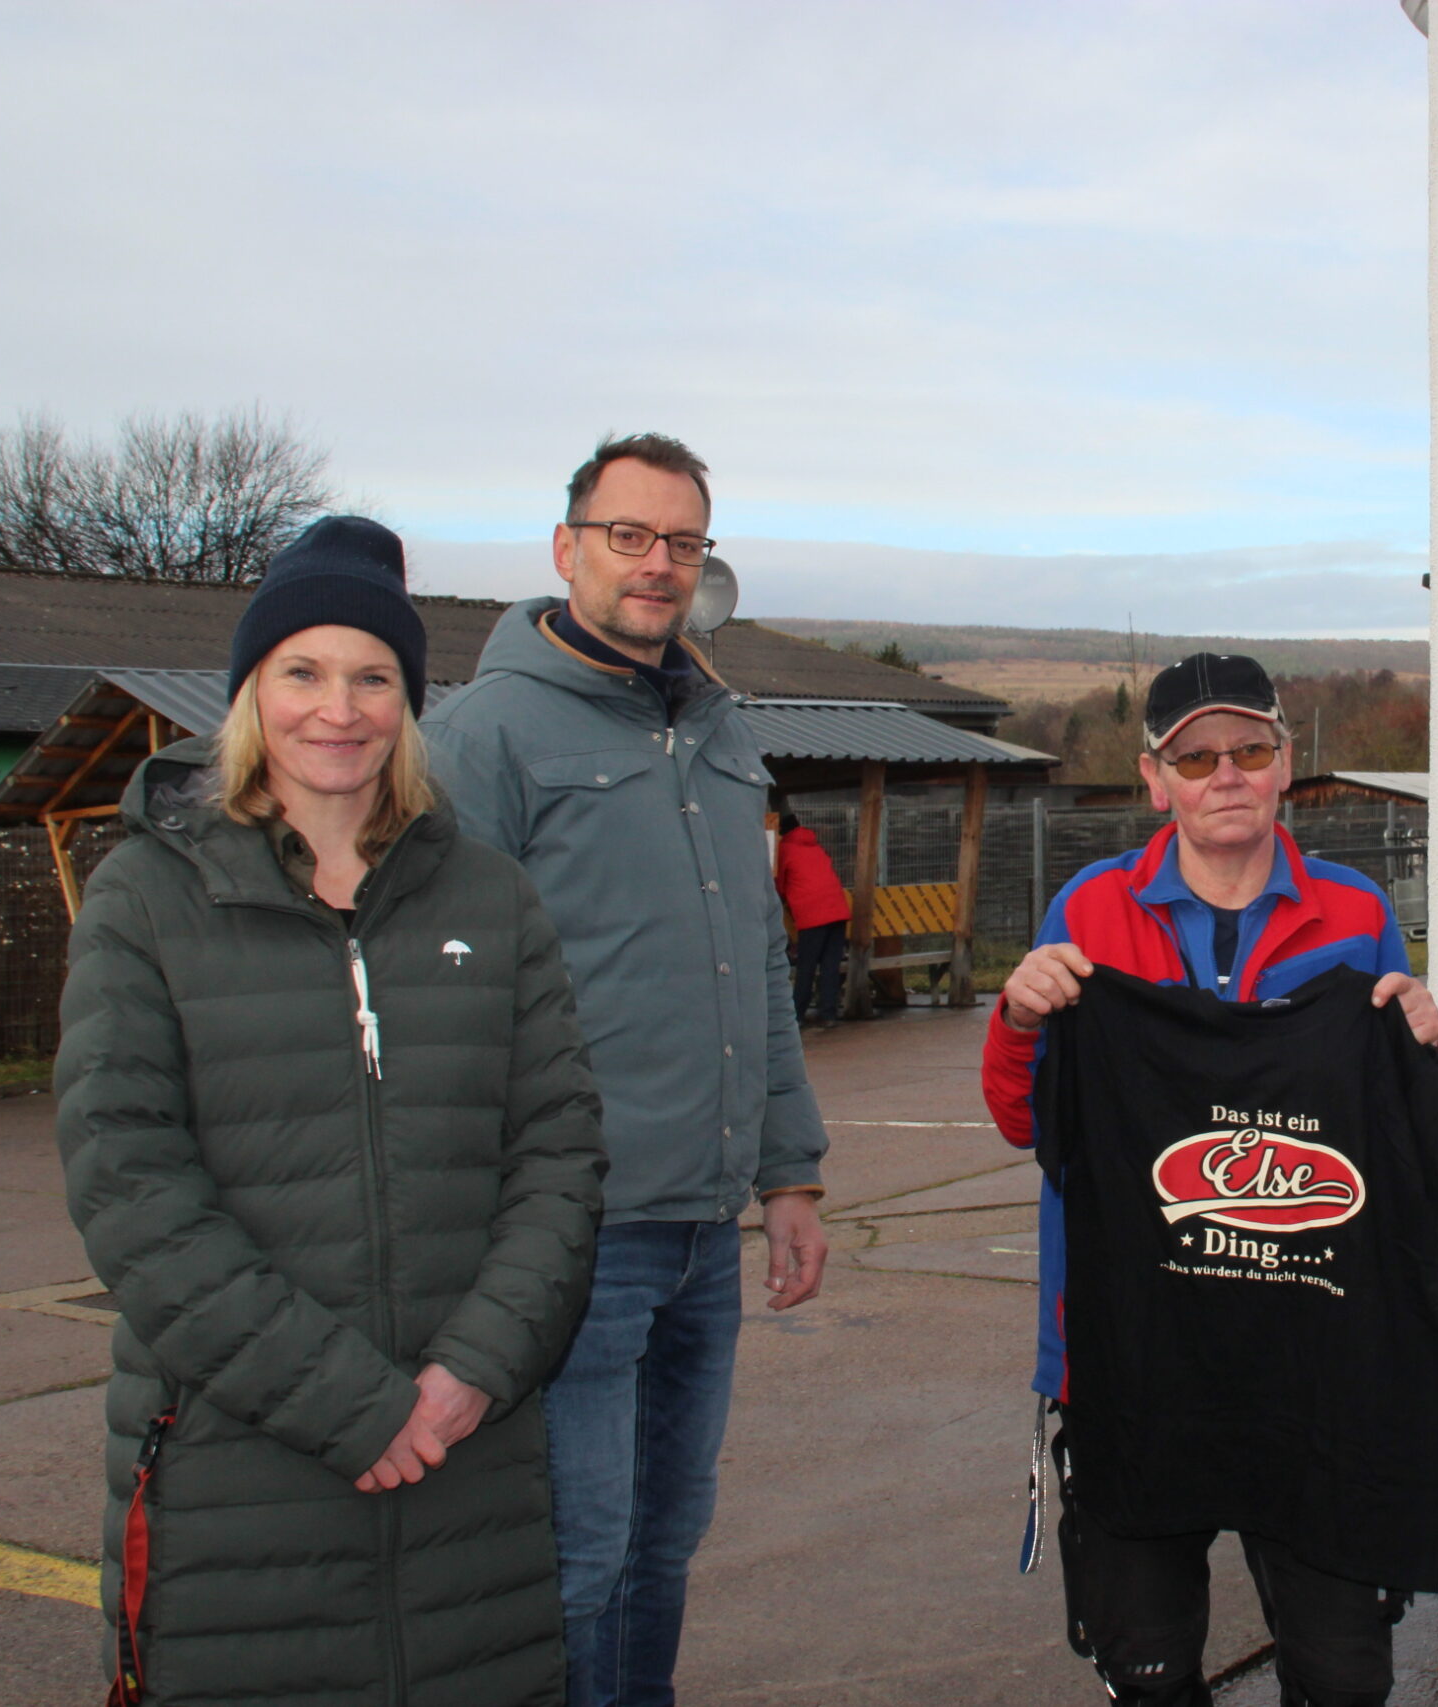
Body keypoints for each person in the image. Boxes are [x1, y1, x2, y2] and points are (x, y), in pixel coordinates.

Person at [54, 516, 607, 1707]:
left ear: (408, 704)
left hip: (471, 1462)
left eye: (373, 678)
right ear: (253, 691)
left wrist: (472, 1370)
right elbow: (130, 1187)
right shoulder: (146, 898)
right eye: (302, 671)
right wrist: (353, 1406)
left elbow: (558, 1153)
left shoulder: (491, 897)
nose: (338, 708)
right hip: (239, 1472)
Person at [424, 434, 829, 1707]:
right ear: (567, 550)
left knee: (665, 1545)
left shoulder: (716, 730)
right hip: (571, 1236)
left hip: (705, 1227)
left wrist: (789, 1170)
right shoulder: (480, 737)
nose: (657, 566)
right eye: (629, 537)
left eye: (684, 543)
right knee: (578, 1554)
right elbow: (441, 992)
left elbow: (756, 963)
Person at [984, 653, 1438, 1707]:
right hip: (1129, 1357)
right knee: (1147, 1669)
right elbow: (1029, 1121)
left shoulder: (1354, 911)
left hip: (1313, 1362)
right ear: (1156, 779)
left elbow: (1399, 1150)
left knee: (1341, 1675)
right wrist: (1019, 1018)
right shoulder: (1089, 911)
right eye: (1195, 758)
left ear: (1287, 763)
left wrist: (1424, 1049)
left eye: (1248, 750)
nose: (1224, 775)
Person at [774, 809, 850, 1026]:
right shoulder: (815, 846)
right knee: (830, 965)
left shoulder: (784, 850)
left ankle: (797, 1014)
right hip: (837, 911)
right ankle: (828, 1014)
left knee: (806, 966)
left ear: (779, 830)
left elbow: (779, 886)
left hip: (813, 915)